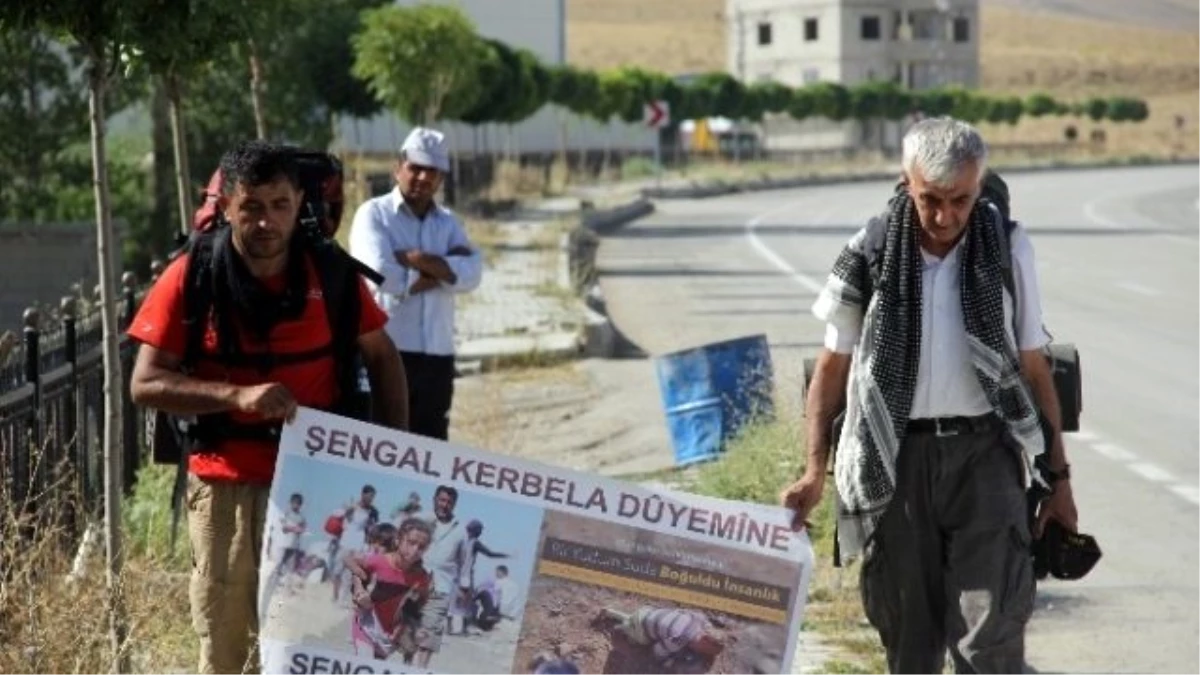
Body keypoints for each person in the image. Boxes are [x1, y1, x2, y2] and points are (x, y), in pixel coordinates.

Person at [780, 117, 1079, 675]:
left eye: (960, 200)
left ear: (980, 184)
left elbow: (1033, 365)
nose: (945, 218)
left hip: (985, 459)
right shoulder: (869, 251)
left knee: (990, 641)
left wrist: (1059, 481)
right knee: (909, 642)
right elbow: (831, 369)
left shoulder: (1008, 248)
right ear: (906, 182)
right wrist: (813, 472)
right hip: (896, 464)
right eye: (930, 200)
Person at [128, 141, 410, 675]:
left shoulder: (331, 276)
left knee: (316, 644)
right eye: (252, 206)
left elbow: (382, 356)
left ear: (298, 201)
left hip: (321, 485)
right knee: (228, 649)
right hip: (224, 487)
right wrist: (235, 397)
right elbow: (144, 384)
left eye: (279, 204)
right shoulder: (191, 277)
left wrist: (395, 455)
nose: (266, 221)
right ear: (229, 204)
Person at [349, 126, 484, 441]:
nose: (424, 177)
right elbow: (380, 274)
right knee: (382, 442)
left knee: (431, 447)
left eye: (432, 171)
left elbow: (473, 274)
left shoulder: (448, 223)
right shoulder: (374, 215)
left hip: (438, 355)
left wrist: (415, 258)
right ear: (398, 168)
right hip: (388, 351)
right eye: (417, 168)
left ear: (441, 178)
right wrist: (443, 271)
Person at [344, 518, 434, 661]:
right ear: (398, 540)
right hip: (365, 624)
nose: (415, 550)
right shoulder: (380, 561)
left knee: (377, 667)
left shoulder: (421, 576)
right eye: (411, 542)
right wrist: (359, 589)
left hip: (388, 634)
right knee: (364, 662)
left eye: (421, 547)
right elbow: (349, 559)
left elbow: (421, 602)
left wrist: (406, 627)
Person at [414, 485, 471, 667]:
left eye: (449, 502)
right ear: (435, 500)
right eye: (442, 500)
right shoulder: (421, 521)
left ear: (454, 505)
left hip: (441, 588)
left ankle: (420, 669)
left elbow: (465, 562)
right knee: (407, 633)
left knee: (429, 635)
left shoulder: (460, 531)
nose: (445, 505)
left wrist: (464, 586)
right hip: (413, 584)